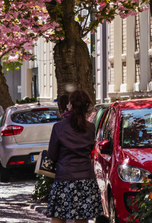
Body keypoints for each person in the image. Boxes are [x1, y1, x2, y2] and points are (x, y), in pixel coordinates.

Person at [44, 89, 100, 223]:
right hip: (85, 178)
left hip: (64, 177)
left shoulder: (59, 127)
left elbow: (52, 155)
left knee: (58, 216)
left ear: (71, 105)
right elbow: (91, 150)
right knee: (82, 218)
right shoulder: (91, 128)